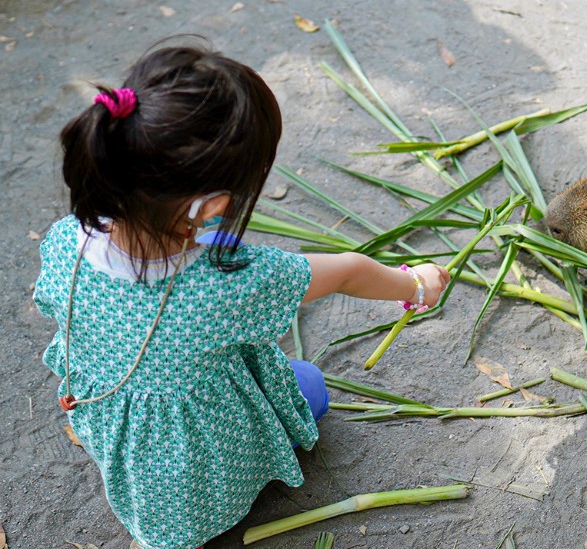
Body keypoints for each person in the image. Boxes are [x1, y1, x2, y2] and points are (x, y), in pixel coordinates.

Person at [33, 38, 450, 549]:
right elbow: (346, 272)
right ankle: (216, 504)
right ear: (212, 204)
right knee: (311, 386)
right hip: (188, 465)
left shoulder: (64, 241)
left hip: (107, 412)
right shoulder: (230, 281)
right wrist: (415, 283)